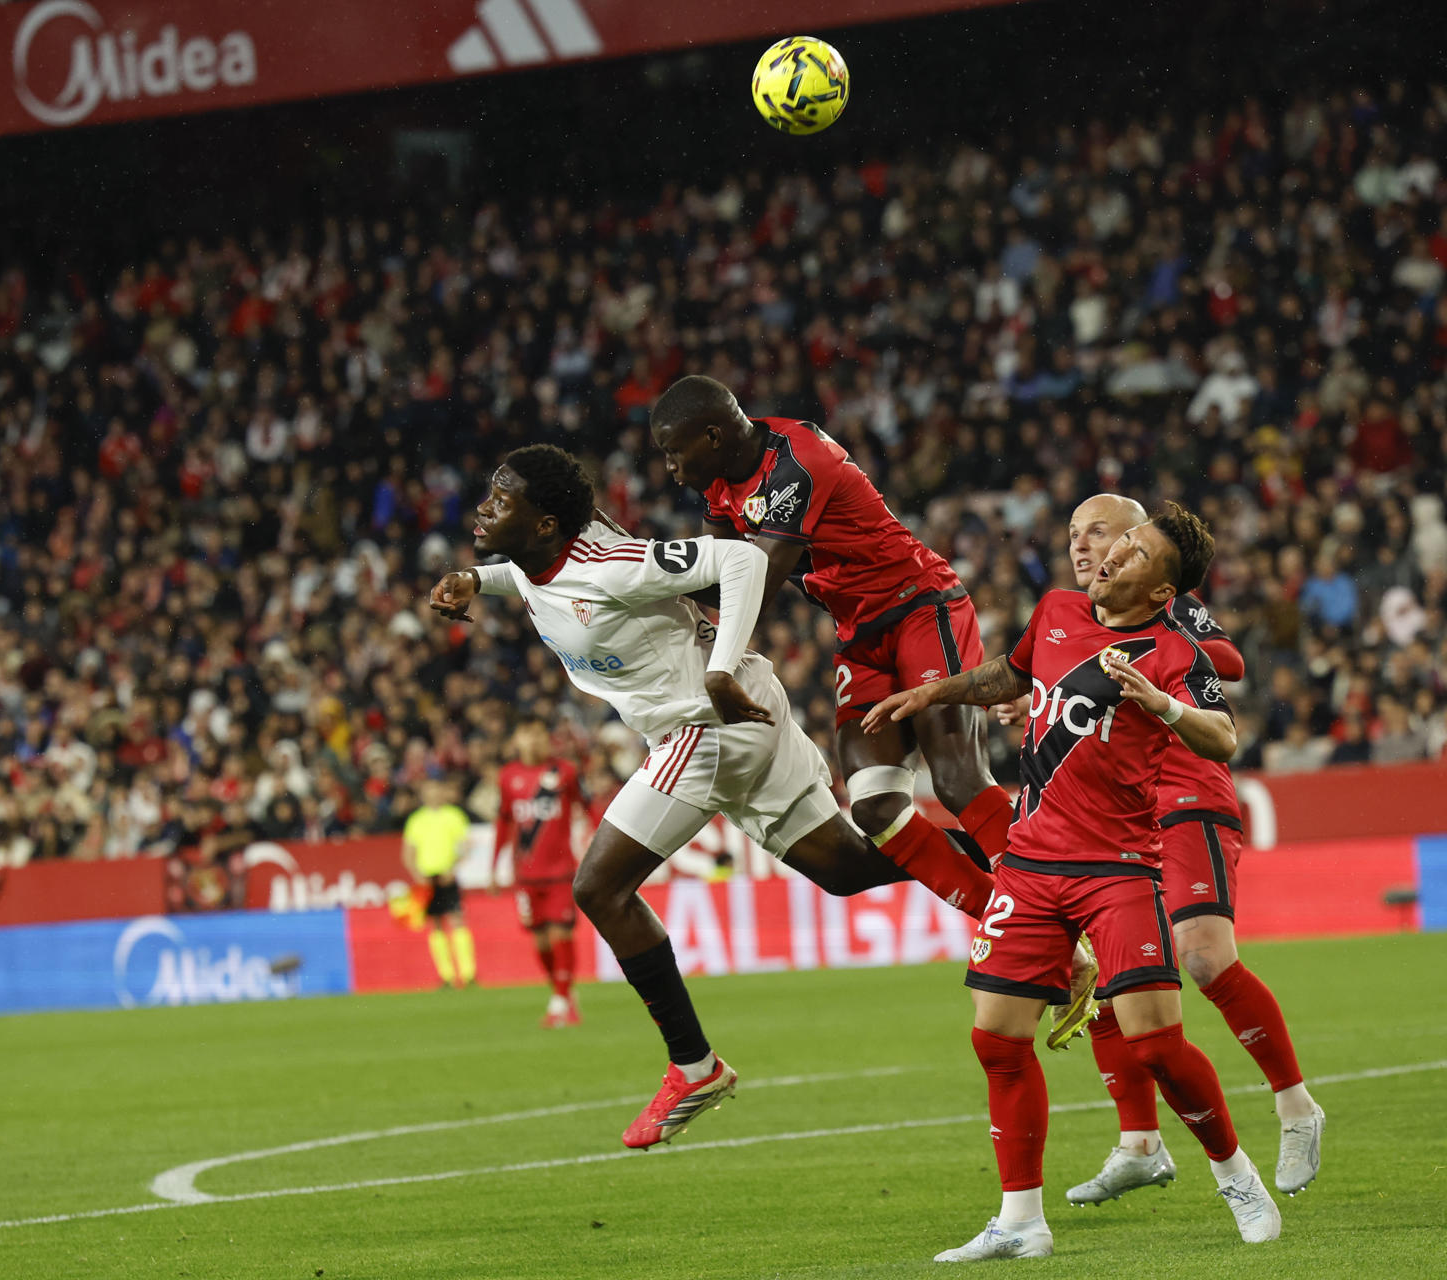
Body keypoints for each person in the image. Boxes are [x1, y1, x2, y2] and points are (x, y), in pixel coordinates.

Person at [429, 445, 986, 1150]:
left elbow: (742, 562)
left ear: (543, 524)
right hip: (743, 711)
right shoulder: (546, 555)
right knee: (846, 868)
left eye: (501, 500)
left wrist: (719, 669)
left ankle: (695, 1067)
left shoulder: (610, 565)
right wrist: (476, 579)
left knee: (599, 889)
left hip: (707, 722)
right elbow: (534, 576)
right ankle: (1023, 873)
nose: (483, 507)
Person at [865, 504, 1282, 1259]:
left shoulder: (1171, 652)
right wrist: (934, 692)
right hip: (1029, 864)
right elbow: (1011, 670)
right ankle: (1020, 1221)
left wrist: (1161, 703)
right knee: (997, 1039)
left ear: (1162, 591)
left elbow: (1223, 736)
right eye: (1123, 542)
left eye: (1137, 553)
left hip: (1117, 868)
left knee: (1157, 1045)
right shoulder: (1057, 609)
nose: (1114, 554)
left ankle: (1236, 1176)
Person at [647, 376, 1097, 1050]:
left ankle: (1062, 914)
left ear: (712, 435)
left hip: (921, 606)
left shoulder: (798, 461)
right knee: (876, 809)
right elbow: (715, 581)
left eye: (673, 451)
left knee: (957, 778)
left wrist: (702, 644)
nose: (669, 467)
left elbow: (755, 582)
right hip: (861, 635)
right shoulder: (718, 486)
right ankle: (1020, 929)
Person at [1001, 494, 1323, 1204]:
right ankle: (1140, 1142)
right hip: (1109, 825)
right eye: (1075, 534)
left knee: (1203, 958)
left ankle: (1295, 1104)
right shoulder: (1074, 616)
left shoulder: (1166, 610)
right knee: (1115, 980)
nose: (1085, 547)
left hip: (1182, 793)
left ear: (1138, 545)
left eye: (1101, 534)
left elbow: (1228, 661)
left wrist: (1149, 656)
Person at [494, 717, 586, 1027]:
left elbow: (585, 806)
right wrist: (494, 865)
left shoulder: (565, 772)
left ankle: (559, 1003)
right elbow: (504, 821)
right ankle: (563, 994)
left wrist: (596, 840)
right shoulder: (508, 776)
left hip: (561, 871)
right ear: (516, 740)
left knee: (561, 933)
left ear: (547, 739)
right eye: (526, 734)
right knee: (541, 942)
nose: (533, 740)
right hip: (526, 875)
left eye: (538, 734)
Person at [401, 777, 477, 989]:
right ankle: (447, 975)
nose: (433, 794)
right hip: (427, 878)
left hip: (447, 876)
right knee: (435, 924)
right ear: (423, 794)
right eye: (429, 790)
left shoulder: (454, 815)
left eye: (436, 789)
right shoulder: (416, 820)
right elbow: (408, 852)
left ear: (443, 792)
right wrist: (417, 874)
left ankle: (468, 973)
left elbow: (466, 845)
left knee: (457, 919)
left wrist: (454, 868)